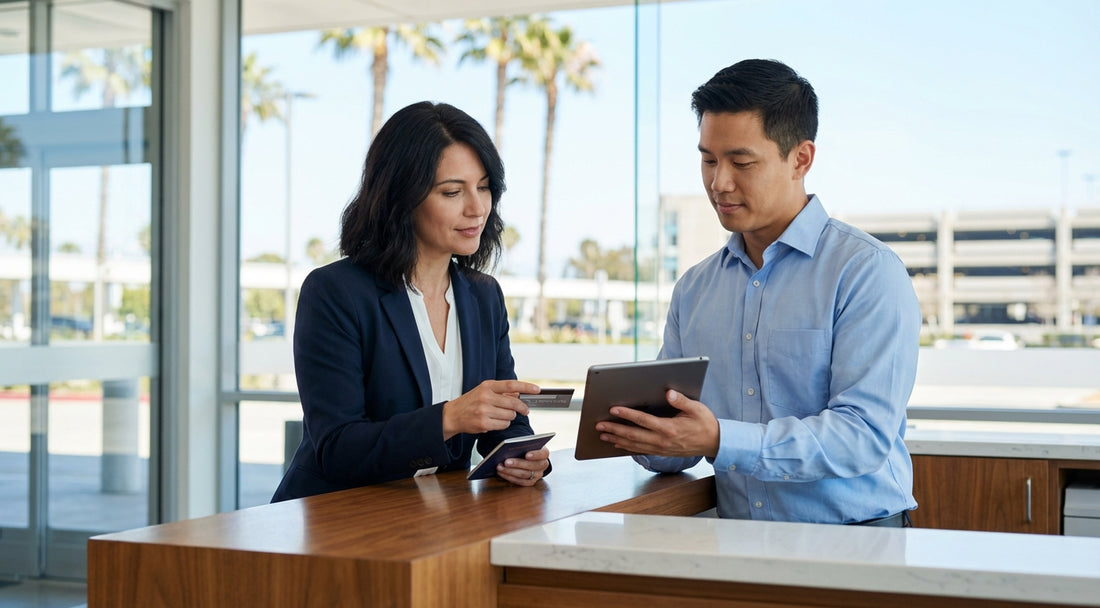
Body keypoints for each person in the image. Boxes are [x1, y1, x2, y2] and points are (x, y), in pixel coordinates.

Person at [595, 59, 921, 526]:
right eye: (708, 160)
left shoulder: (866, 272)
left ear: (801, 159)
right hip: (738, 542)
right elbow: (679, 448)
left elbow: (862, 436)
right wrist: (643, 433)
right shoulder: (695, 288)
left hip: (857, 540)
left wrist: (718, 440)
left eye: (741, 162)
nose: (718, 182)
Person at [272, 101, 550, 502]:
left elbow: (500, 422)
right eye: (453, 191)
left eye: (485, 186)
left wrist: (524, 455)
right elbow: (336, 447)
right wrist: (448, 419)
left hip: (430, 516)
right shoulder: (335, 292)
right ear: (402, 197)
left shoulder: (484, 296)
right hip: (336, 518)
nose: (477, 208)